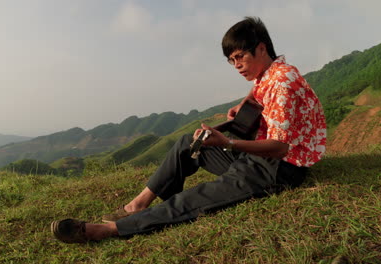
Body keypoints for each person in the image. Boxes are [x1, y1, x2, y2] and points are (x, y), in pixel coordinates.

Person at [51, 16, 327, 243]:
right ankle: (138, 204)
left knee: (203, 195)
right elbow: (257, 95)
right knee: (188, 142)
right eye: (231, 60)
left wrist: (228, 144)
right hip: (257, 156)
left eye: (240, 56)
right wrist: (241, 107)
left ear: (261, 48)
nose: (236, 65)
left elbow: (280, 147)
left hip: (279, 168)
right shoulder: (269, 74)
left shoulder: (282, 82)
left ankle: (111, 230)